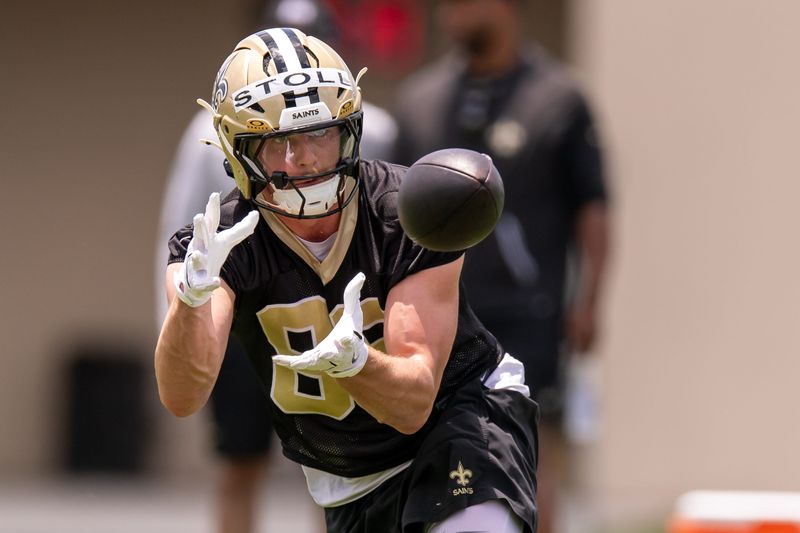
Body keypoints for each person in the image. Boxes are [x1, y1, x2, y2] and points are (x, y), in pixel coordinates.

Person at [155, 27, 538, 533]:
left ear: (350, 129)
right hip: (349, 474)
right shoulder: (218, 244)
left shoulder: (411, 210)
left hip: (459, 415)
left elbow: (414, 403)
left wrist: (353, 362)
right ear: (238, 152)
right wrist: (191, 297)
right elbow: (183, 395)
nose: (307, 159)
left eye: (319, 132)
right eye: (280, 142)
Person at [154, 3, 398, 532]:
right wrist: (182, 312)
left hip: (339, 302)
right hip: (245, 311)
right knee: (240, 462)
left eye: (311, 40)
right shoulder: (213, 131)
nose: (304, 158)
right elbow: (186, 232)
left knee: (338, 459)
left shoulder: (373, 127)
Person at [392, 1, 611, 532]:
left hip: (529, 315)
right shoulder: (419, 102)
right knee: (414, 468)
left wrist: (587, 303)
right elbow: (389, 212)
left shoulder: (559, 98)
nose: (453, 12)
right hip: (437, 313)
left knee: (530, 467)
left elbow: (594, 209)